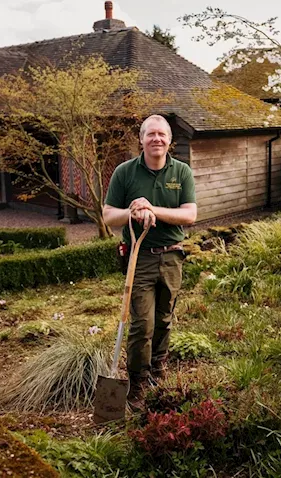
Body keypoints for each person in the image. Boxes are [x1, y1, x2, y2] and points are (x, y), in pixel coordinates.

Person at [103, 114, 197, 402]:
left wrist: (152, 210)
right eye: (150, 134)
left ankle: (158, 370)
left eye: (162, 134)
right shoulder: (124, 172)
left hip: (172, 257)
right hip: (138, 258)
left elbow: (190, 215)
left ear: (170, 140)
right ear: (141, 139)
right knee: (141, 323)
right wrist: (132, 212)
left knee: (164, 319)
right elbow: (108, 217)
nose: (156, 139)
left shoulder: (181, 172)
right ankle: (138, 383)